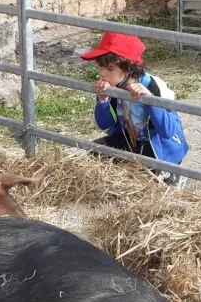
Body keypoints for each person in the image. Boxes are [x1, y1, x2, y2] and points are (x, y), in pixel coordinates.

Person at [80, 32, 189, 188]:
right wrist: (103, 100)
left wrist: (150, 100)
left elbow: (168, 131)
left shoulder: (154, 86)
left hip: (160, 149)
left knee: (142, 181)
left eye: (109, 68)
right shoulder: (115, 87)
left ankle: (171, 174)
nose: (102, 72)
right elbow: (104, 124)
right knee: (96, 150)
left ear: (129, 69)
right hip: (133, 141)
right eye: (101, 66)